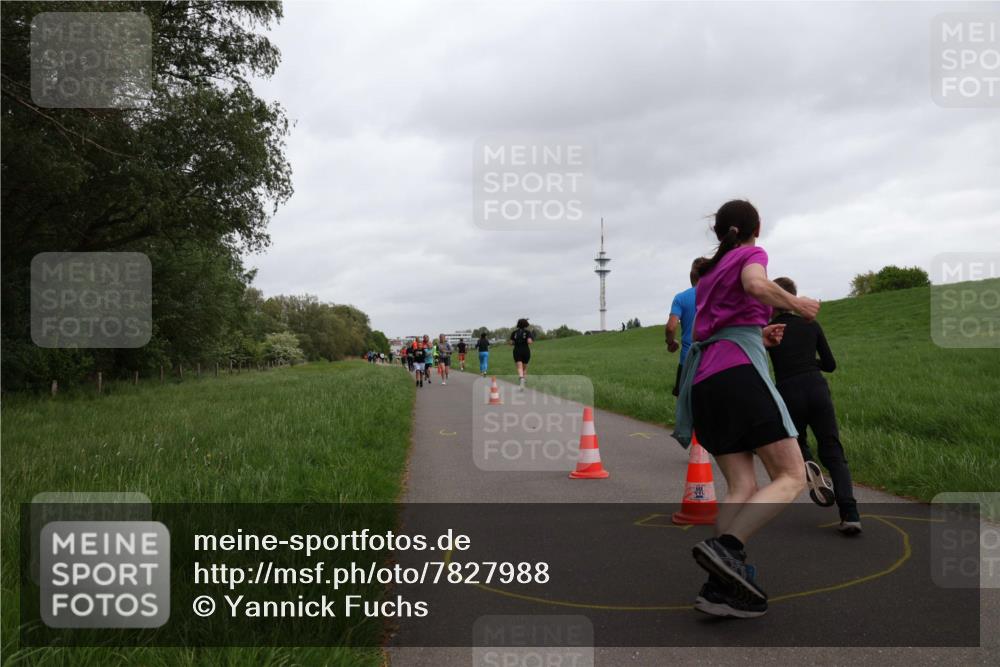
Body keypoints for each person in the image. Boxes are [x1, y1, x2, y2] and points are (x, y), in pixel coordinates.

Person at [674, 199, 820, 619]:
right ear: (756, 227)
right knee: (792, 475)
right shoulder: (750, 254)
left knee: (741, 486)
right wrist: (797, 303)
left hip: (705, 381)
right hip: (739, 374)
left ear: (719, 232)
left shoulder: (706, 277)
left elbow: (723, 321)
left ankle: (719, 588)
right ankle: (728, 549)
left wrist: (760, 334)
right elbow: (756, 286)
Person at [768, 277, 861, 535]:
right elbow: (830, 365)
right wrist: (810, 362)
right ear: (794, 296)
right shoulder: (812, 325)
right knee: (833, 450)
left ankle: (809, 464)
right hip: (816, 387)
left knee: (797, 441)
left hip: (787, 390)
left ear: (774, 299)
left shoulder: (770, 329)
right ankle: (850, 514)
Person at [666, 258, 708, 397]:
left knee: (684, 406)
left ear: (691, 275)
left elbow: (671, 327)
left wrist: (671, 343)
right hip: (713, 360)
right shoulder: (717, 295)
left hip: (688, 360)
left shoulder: (681, 298)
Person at [509, 318, 534, 390]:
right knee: (524, 367)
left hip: (517, 350)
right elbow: (529, 342)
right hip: (526, 351)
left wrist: (515, 342)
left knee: (519, 367)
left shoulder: (514, 333)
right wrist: (531, 339)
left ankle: (521, 378)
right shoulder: (528, 332)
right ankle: (523, 381)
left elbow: (511, 343)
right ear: (526, 324)